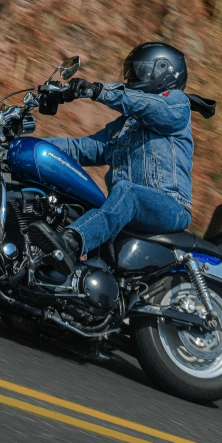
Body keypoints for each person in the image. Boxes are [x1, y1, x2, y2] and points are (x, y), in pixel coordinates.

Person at [28, 42, 197, 275]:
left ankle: (69, 244)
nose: (133, 77)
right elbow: (81, 148)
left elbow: (145, 104)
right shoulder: (124, 127)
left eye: (141, 71)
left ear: (165, 73)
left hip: (170, 206)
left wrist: (97, 91)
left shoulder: (177, 104)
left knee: (128, 192)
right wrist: (32, 145)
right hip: (128, 204)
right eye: (131, 71)